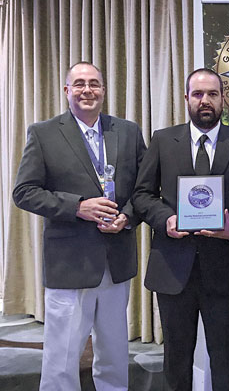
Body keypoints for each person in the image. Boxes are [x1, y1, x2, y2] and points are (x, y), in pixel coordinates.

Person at [12, 61, 147, 390]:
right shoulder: (43, 134)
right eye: (80, 84)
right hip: (69, 264)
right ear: (67, 91)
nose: (88, 90)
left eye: (95, 84)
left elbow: (145, 189)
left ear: (104, 90)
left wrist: (126, 216)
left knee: (115, 353)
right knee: (62, 357)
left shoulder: (127, 132)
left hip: (116, 262)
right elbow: (24, 192)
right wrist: (78, 207)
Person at [132, 68, 229, 391]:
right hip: (173, 269)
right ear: (187, 98)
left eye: (213, 94)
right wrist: (166, 219)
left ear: (223, 100)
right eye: (199, 94)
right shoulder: (163, 140)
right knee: (176, 359)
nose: (205, 100)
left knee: (224, 359)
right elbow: (142, 195)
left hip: (223, 270)